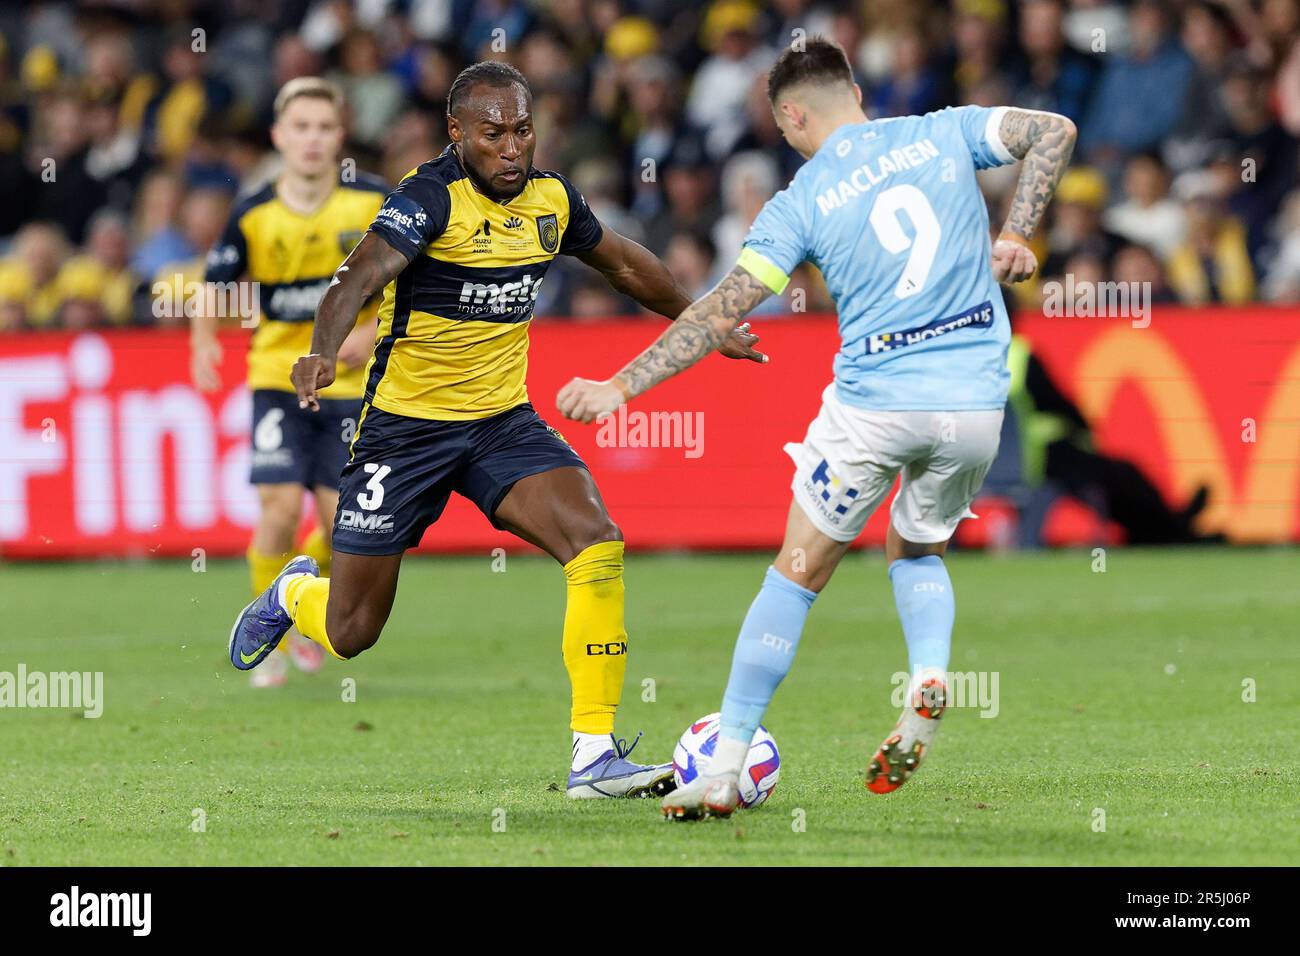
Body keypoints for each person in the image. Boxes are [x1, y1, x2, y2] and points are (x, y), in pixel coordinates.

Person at [556, 37, 1076, 819]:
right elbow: (1056, 130)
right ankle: (929, 674)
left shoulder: (800, 200)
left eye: (784, 127)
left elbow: (718, 312)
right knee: (920, 547)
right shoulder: (943, 130)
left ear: (792, 114)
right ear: (857, 91)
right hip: (973, 406)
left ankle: (724, 766)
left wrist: (621, 384)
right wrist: (1016, 233)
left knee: (795, 575)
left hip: (876, 404)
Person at [226, 61, 766, 798]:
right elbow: (354, 279)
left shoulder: (550, 199)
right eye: (493, 135)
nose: (512, 149)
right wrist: (320, 352)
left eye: (523, 131)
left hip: (499, 423)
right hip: (403, 432)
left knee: (596, 541)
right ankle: (295, 596)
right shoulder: (428, 197)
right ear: (457, 134)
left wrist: (704, 319)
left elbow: (626, 267)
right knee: (352, 633)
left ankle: (593, 756)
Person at [194, 78, 387, 687]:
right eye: (299, 127)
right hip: (276, 377)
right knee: (276, 509)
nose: (311, 139)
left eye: (323, 128)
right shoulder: (254, 212)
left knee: (339, 526)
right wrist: (203, 341)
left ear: (340, 135)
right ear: (279, 136)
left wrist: (371, 331)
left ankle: (298, 596)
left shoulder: (371, 203)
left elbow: (411, 279)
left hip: (347, 385)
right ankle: (270, 640)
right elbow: (214, 285)